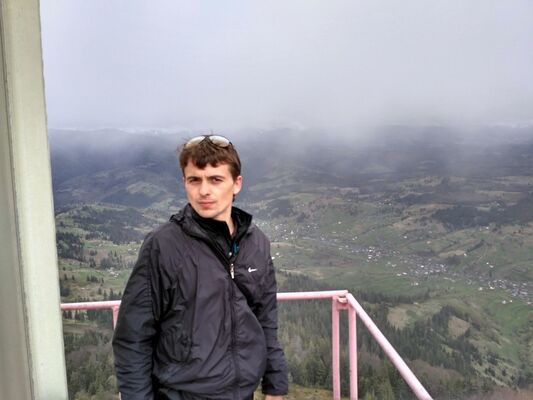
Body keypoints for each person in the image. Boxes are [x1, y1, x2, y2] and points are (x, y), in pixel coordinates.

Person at [112, 134, 288, 400]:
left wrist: (275, 385)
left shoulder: (257, 243)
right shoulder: (163, 245)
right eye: (194, 180)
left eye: (215, 179)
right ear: (184, 182)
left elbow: (265, 320)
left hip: (243, 393)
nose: (204, 191)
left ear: (237, 184)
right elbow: (133, 336)